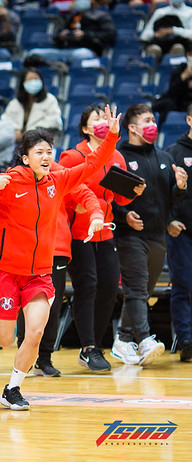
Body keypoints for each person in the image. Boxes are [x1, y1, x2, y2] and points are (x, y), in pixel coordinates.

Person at [0, 106, 120, 411]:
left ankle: (12, 388)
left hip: (39, 273)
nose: (46, 157)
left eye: (49, 151)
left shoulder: (59, 179)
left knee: (35, 332)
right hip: (6, 271)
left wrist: (112, 136)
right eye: (39, 152)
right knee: (7, 339)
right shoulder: (11, 180)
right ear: (25, 157)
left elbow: (93, 164)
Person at [59, 103, 145, 373]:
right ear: (85, 128)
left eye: (105, 118)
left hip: (106, 230)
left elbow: (119, 198)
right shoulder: (73, 156)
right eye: (96, 119)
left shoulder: (116, 157)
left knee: (109, 288)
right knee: (88, 286)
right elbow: (62, 191)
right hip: (78, 233)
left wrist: (134, 191)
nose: (103, 122)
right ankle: (89, 348)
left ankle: (96, 343)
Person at [111, 104, 188, 366]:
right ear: (132, 128)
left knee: (144, 290)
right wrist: (125, 216)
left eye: (153, 119)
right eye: (146, 120)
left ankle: (122, 339)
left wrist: (180, 187)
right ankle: (144, 340)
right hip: (130, 235)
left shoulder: (165, 157)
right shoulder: (119, 157)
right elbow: (110, 200)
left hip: (158, 236)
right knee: (136, 289)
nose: (152, 124)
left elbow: (169, 198)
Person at [166, 102, 192, 362]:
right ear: (188, 120)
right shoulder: (173, 153)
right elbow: (162, 195)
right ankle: (186, 339)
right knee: (184, 285)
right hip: (182, 231)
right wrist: (168, 222)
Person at [27, 0, 115, 64]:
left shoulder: (101, 16)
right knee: (34, 53)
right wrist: (62, 36)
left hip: (88, 51)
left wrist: (84, 36)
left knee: (80, 54)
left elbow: (109, 36)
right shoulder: (70, 17)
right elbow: (56, 40)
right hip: (67, 51)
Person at [1, 67, 63, 142]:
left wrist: (31, 132)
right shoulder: (15, 103)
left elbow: (54, 121)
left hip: (41, 140)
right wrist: (15, 129)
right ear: (23, 83)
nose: (33, 82)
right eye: (30, 79)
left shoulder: (50, 100)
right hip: (17, 143)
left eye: (36, 79)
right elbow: (5, 120)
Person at [153, 53, 192, 126]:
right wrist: (183, 77)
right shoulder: (179, 69)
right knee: (168, 105)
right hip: (176, 101)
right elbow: (172, 92)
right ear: (188, 55)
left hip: (189, 103)